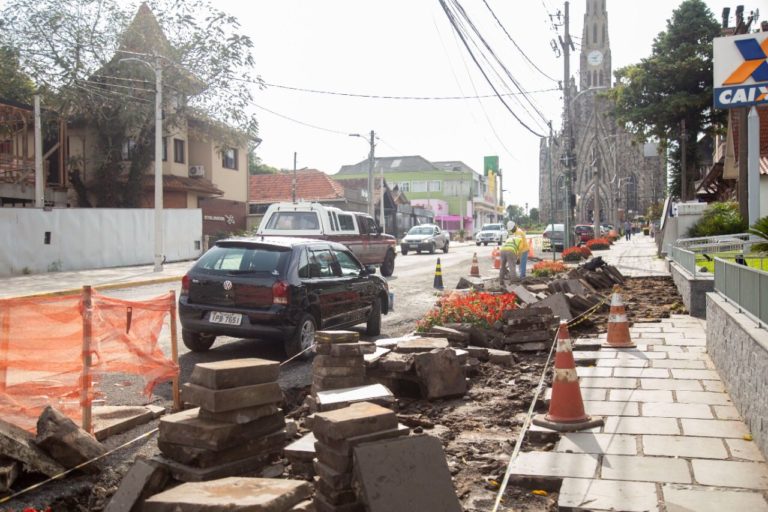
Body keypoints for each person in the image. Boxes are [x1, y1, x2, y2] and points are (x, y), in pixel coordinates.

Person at [499, 221, 522, 286]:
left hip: (502, 250)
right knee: (512, 266)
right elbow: (519, 250)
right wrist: (518, 259)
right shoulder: (520, 239)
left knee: (502, 267)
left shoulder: (509, 238)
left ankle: (501, 281)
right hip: (510, 251)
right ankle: (513, 281)